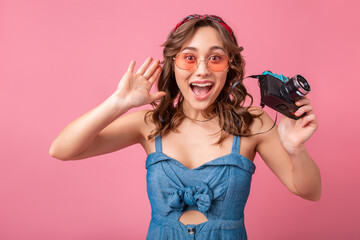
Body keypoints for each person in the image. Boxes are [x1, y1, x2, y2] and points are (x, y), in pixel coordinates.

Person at [49, 14, 321, 239]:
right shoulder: (148, 124)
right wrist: (118, 103)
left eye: (215, 58)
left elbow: (310, 191)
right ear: (173, 64)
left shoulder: (251, 123)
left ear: (230, 67)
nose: (202, 69)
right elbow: (62, 149)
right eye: (189, 57)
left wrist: (296, 148)